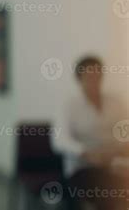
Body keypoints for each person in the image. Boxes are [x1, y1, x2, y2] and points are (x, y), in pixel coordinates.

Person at [51, 56, 127, 209]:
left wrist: (118, 149)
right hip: (83, 167)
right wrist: (87, 153)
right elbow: (59, 141)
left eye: (98, 75)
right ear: (80, 78)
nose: (95, 80)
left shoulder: (115, 103)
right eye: (90, 76)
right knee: (111, 194)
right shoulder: (70, 105)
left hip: (113, 162)